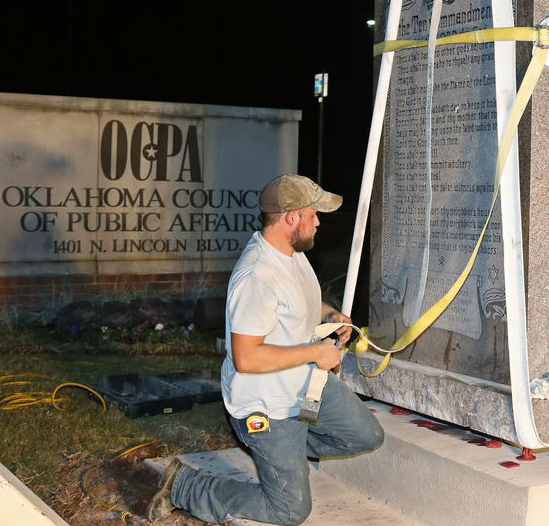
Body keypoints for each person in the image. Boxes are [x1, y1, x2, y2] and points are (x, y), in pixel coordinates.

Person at [147, 174, 384, 524]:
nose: (318, 221)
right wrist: (316, 354)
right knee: (290, 510)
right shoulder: (257, 275)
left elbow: (299, 302)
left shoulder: (292, 254)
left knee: (366, 434)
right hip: (266, 404)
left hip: (302, 386)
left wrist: (331, 313)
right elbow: (246, 357)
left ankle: (284, 455)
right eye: (312, 213)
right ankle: (184, 486)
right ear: (291, 218)